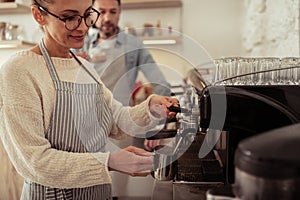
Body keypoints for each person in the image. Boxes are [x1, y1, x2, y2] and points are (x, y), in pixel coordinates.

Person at [0, 0, 178, 199]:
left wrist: (151, 108)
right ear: (39, 15)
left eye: (87, 15)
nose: (84, 26)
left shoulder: (84, 67)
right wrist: (109, 162)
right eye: (70, 17)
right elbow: (35, 162)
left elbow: (117, 120)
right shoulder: (18, 71)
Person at [75, 0, 171, 106]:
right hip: (88, 114)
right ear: (92, 13)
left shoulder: (134, 45)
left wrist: (168, 103)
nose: (107, 18)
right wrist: (71, 66)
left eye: (113, 12)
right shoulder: (80, 43)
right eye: (102, 12)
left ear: (119, 12)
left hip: (121, 117)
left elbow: (158, 81)